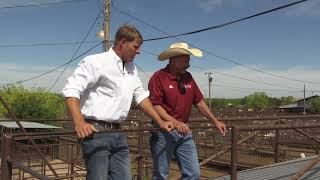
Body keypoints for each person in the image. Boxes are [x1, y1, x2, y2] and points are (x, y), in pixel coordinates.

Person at [62, 24, 173, 180]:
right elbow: (72, 89)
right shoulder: (96, 61)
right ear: (122, 42)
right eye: (135, 47)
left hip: (118, 134)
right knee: (98, 177)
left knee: (124, 177)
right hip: (96, 132)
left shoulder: (131, 68)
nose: (139, 51)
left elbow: (140, 96)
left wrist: (160, 122)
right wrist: (79, 122)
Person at [148, 42, 227, 180]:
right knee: (161, 174)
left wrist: (215, 121)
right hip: (163, 132)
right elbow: (155, 106)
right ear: (174, 59)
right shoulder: (159, 77)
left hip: (184, 132)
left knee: (193, 173)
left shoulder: (188, 77)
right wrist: (176, 122)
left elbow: (199, 101)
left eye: (188, 60)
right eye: (186, 60)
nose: (188, 63)